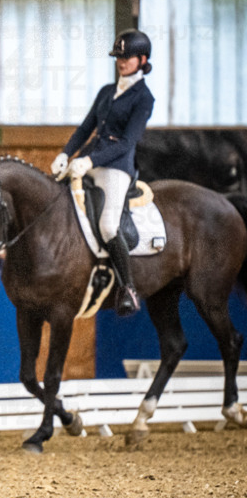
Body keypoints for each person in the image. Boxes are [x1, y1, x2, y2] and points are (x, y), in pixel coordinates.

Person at [51, 28, 155, 317]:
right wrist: (65, 153)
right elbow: (86, 128)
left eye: (127, 57)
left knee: (109, 226)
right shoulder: (107, 92)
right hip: (87, 161)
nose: (121, 62)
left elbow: (127, 143)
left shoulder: (144, 99)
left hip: (116, 168)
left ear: (142, 59)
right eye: (119, 57)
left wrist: (91, 161)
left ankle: (128, 288)